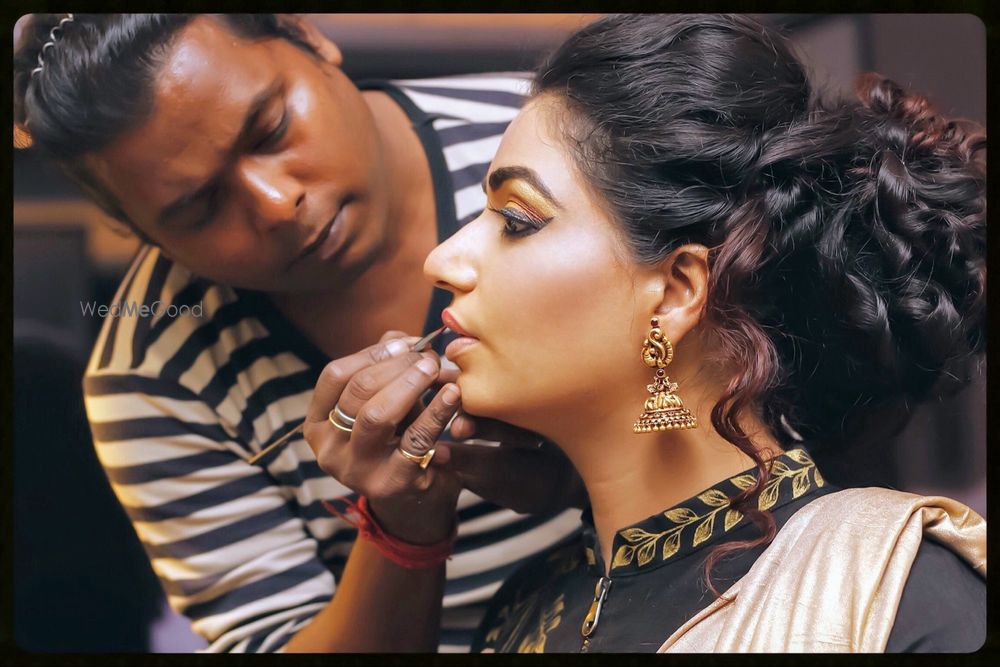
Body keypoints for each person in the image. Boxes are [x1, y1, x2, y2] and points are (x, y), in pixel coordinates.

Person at [303, 14, 987, 652]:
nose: (443, 260)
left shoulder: (890, 591)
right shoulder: (523, 614)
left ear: (677, 291)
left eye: (515, 219)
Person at [13, 13, 584, 652]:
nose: (275, 203)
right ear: (146, 236)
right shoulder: (153, 376)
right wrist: (399, 529)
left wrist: (583, 474)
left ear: (307, 36)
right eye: (201, 205)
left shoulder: (559, 134)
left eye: (270, 129)